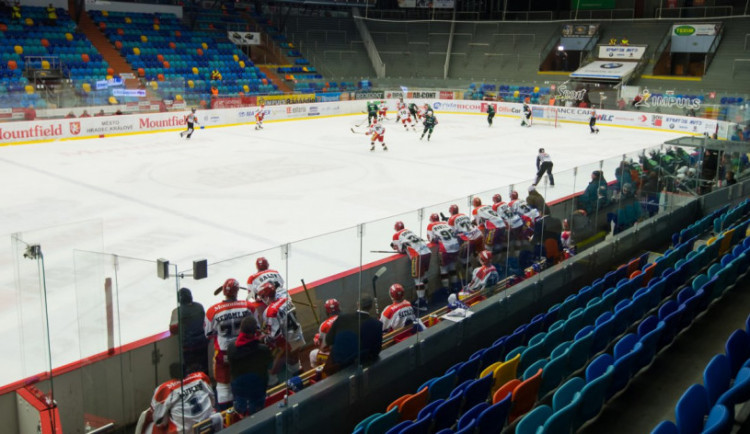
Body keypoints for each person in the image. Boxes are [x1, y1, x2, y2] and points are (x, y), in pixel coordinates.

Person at [204, 278, 258, 410]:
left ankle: (225, 414)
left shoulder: (212, 311)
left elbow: (209, 334)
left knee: (223, 385)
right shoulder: (248, 307)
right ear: (237, 291)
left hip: (224, 353)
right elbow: (255, 328)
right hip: (245, 350)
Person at [322, 294, 382, 376]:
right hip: (363, 365)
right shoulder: (377, 324)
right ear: (371, 306)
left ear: (358, 304)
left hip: (339, 366)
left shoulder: (342, 318)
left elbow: (328, 341)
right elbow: (376, 351)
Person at [145, 363, 215, 434]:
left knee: (151, 428)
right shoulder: (201, 377)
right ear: (186, 370)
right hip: (209, 424)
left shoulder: (164, 389)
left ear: (171, 373)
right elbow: (212, 399)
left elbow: (158, 421)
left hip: (186, 431)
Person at [257, 282, 305, 384]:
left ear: (265, 297)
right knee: (294, 361)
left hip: (288, 341)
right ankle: (299, 378)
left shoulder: (269, 311)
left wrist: (265, 338)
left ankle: (274, 383)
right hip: (298, 334)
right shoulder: (286, 300)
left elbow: (275, 335)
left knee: (275, 366)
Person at [227, 316, 273, 417]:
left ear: (241, 330)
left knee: (240, 408)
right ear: (254, 332)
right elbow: (270, 367)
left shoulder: (231, 347)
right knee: (257, 412)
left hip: (239, 388)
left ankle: (241, 412)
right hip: (257, 387)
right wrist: (259, 342)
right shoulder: (263, 349)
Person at [391, 221, 432, 311]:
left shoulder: (396, 235)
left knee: (418, 279)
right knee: (424, 276)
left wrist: (395, 247)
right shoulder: (409, 231)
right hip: (427, 251)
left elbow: (400, 250)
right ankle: (426, 297)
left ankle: (422, 303)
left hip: (417, 255)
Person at [169, 288, 209, 375]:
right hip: (202, 343)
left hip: (188, 346)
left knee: (190, 371)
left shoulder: (177, 311)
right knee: (204, 368)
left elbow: (173, 329)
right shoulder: (199, 306)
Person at [426, 213, 461, 293]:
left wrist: (437, 239)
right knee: (452, 267)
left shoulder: (431, 225)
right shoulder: (445, 223)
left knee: (443, 269)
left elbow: (431, 239)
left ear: (431, 220)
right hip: (456, 246)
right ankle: (455, 287)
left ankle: (446, 290)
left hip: (446, 249)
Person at [309, 299, 340, 368]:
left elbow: (323, 348)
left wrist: (318, 341)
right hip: (351, 350)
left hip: (335, 358)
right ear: (339, 308)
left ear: (327, 311)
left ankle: (323, 376)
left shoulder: (324, 325)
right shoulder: (346, 317)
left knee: (312, 354)